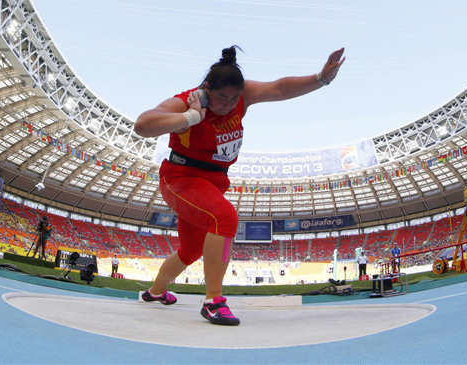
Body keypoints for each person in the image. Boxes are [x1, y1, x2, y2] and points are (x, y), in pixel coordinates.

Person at [134, 45, 345, 326]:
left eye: (234, 98)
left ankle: (154, 293)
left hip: (212, 183)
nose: (229, 104)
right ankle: (213, 301)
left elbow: (280, 89)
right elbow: (143, 124)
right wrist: (192, 118)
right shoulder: (187, 102)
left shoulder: (242, 96)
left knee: (191, 250)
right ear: (206, 88)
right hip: (180, 180)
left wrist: (322, 78)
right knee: (225, 218)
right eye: (222, 98)